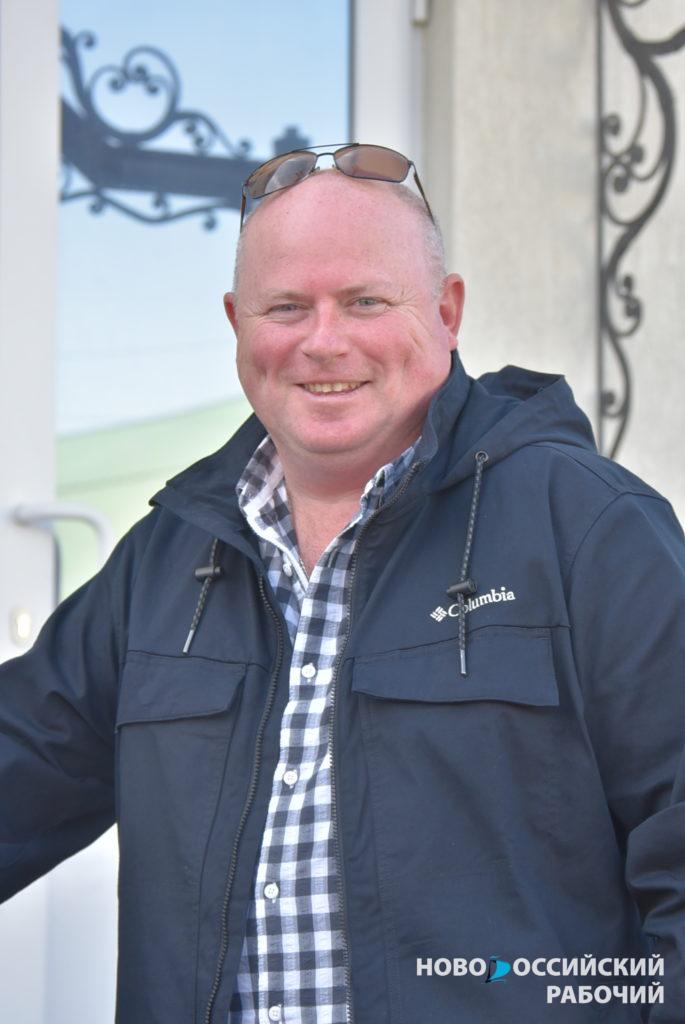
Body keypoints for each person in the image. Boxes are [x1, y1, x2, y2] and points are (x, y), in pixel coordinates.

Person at [1, 144, 684, 1024]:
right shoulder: (171, 559)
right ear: (236, 323)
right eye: (286, 306)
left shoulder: (588, 527)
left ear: (446, 311)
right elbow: (23, 760)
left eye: (365, 301)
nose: (324, 342)